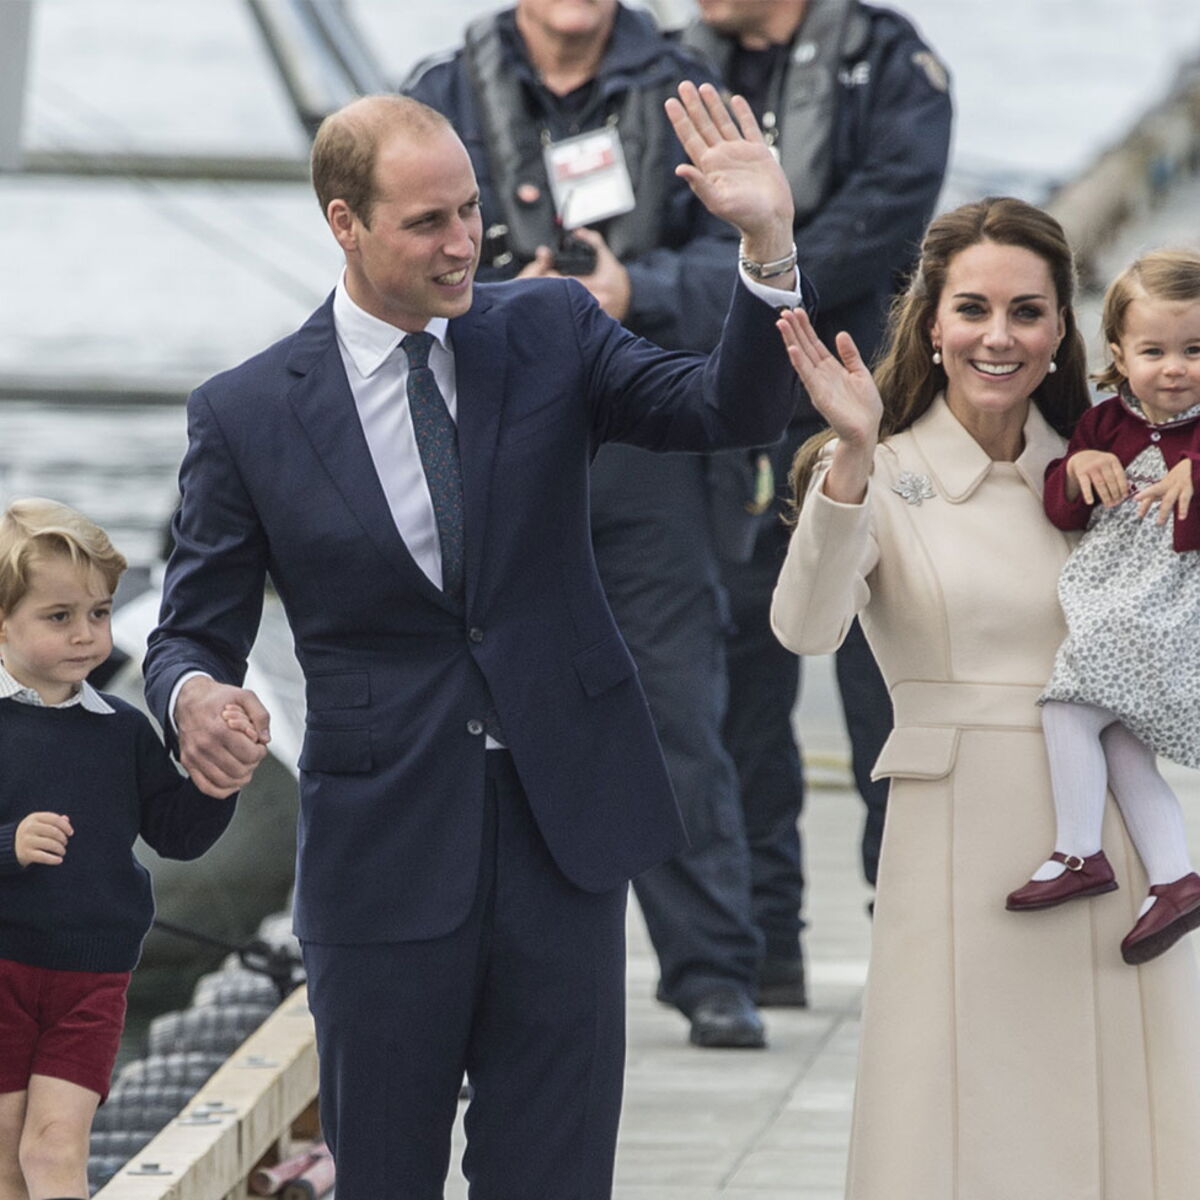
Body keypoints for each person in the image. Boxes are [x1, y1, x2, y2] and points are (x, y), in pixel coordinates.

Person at [142, 89, 806, 1199]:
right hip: (383, 851)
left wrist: (767, 248)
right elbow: (186, 631)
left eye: (470, 211)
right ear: (344, 224)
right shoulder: (246, 412)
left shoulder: (548, 327)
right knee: (386, 1177)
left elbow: (721, 412)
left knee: (554, 1176)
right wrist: (196, 697)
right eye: (427, 223)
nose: (464, 243)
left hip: (566, 826)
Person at [770, 198, 1200, 1197]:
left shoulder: (1114, 470)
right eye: (973, 309)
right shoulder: (875, 468)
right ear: (933, 323)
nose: (998, 337)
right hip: (958, 845)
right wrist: (849, 459)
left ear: (1062, 333)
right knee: (959, 1118)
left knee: (1121, 1121)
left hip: (1109, 845)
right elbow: (804, 630)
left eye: (1027, 312)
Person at [405, 0, 769, 1048]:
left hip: (646, 424)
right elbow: (384, 256)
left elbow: (741, 258)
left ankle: (710, 970)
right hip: (493, 429)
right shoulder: (442, 92)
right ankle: (471, 969)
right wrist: (493, 294)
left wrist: (632, 287)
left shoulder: (693, 89)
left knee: (675, 703)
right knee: (472, 702)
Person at [683, 0, 952, 1005]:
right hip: (736, 413)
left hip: (867, 401)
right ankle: (764, 942)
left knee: (883, 682)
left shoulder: (891, 60)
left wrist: (767, 263)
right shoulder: (681, 65)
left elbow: (892, 206)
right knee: (743, 687)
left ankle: (909, 921)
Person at [0, 498, 234, 1200]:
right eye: (59, 616)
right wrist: (8, 843)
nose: (86, 635)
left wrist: (217, 777)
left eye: (99, 614)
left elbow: (177, 835)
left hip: (92, 978)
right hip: (3, 965)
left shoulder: (124, 730)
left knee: (55, 1149)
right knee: (7, 1157)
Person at [1006, 248, 1200, 965]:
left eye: (1195, 349)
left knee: (1066, 707)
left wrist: (1196, 476)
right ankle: (1175, 877)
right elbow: (1064, 514)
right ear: (1119, 354)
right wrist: (1075, 466)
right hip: (1115, 611)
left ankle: (1080, 851)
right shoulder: (1105, 424)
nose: (1175, 367)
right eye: (1154, 350)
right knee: (1121, 745)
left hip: (1168, 619)